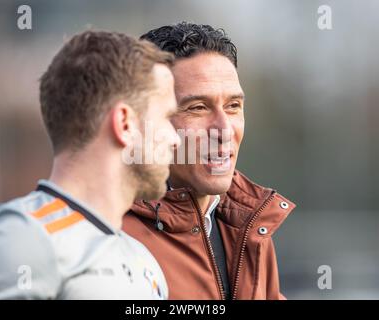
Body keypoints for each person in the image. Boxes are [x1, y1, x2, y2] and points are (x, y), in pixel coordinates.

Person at [0, 30, 180, 299]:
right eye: (166, 117)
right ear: (125, 124)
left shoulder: (144, 262)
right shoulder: (23, 239)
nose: (175, 138)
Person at [123, 22, 296, 300]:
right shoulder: (111, 238)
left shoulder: (252, 226)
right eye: (198, 108)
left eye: (233, 106)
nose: (224, 130)